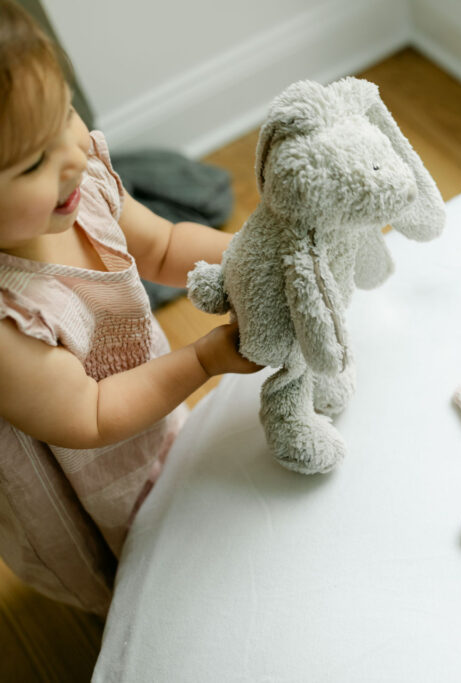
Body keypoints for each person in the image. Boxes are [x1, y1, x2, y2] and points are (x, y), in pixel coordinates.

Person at [0, 0, 260, 613]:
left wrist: (250, 255)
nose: (71, 153)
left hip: (142, 403)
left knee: (180, 488)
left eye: (65, 112)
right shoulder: (10, 321)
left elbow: (164, 245)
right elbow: (88, 418)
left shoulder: (81, 180)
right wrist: (202, 360)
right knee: (137, 571)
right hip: (83, 470)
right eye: (34, 161)